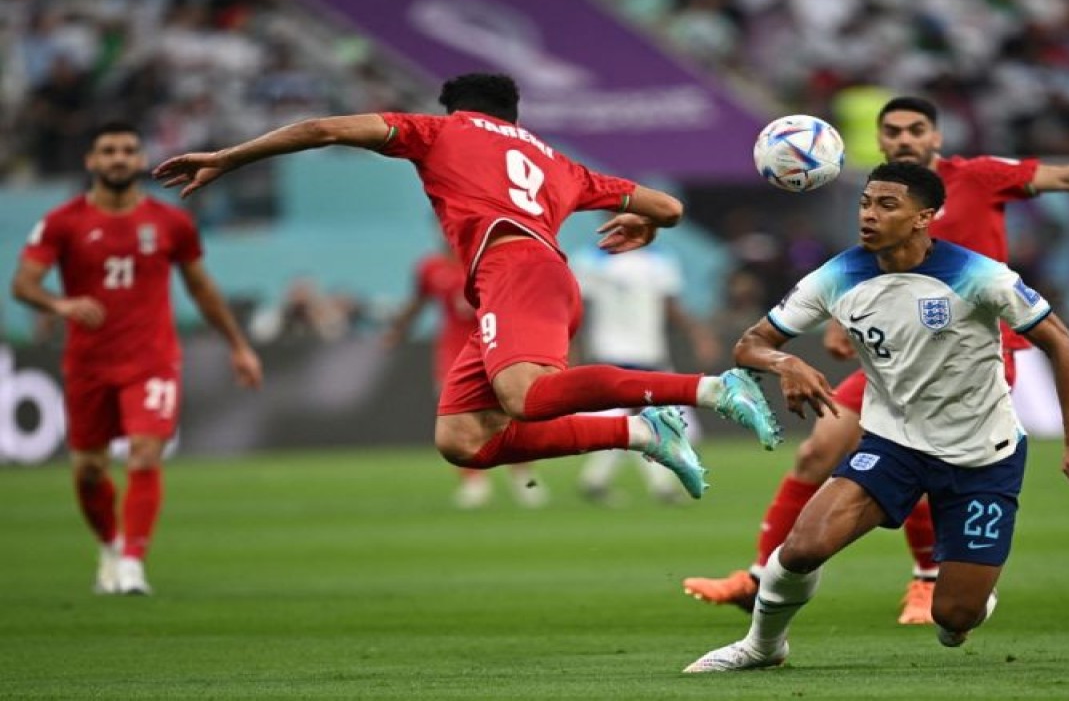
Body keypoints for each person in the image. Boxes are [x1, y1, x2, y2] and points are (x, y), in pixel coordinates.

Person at [683, 96, 1069, 623]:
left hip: (971, 354)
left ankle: (929, 579)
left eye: (915, 129)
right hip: (900, 354)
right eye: (892, 131)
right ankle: (762, 576)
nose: (904, 139)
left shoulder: (981, 176)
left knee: (925, 448)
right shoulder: (883, 196)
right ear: (879, 141)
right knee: (819, 451)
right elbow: (867, 279)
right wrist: (840, 324)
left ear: (937, 137)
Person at [153, 72, 781, 500]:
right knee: (463, 442)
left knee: (526, 399)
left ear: (456, 108)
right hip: (530, 279)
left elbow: (322, 130)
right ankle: (642, 433)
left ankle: (711, 390)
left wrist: (227, 157)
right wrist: (647, 224)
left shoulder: (440, 132)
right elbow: (668, 206)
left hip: (518, 272)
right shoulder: (556, 160)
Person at [684, 162, 1069, 672]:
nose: (869, 215)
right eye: (866, 203)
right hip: (893, 446)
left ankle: (969, 598)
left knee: (953, 618)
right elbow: (751, 343)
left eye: (887, 205)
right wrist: (786, 363)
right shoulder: (838, 275)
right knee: (802, 548)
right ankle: (763, 646)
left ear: (923, 217)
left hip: (982, 456)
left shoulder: (979, 275)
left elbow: (1063, 344)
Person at [11, 121, 263, 596]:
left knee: (145, 453)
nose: (119, 158)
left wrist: (238, 345)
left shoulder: (170, 222)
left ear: (141, 159)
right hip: (88, 363)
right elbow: (23, 284)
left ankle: (132, 563)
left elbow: (200, 287)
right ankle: (109, 546)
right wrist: (59, 305)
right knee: (89, 470)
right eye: (108, 151)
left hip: (152, 359)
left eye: (128, 150)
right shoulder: (63, 222)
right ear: (91, 160)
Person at [384, 250, 546, 509]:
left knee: (512, 413)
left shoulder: (490, 260)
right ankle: (473, 482)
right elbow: (418, 301)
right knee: (457, 418)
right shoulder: (431, 267)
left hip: (496, 348)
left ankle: (523, 477)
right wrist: (398, 330)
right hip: (453, 353)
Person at [570, 245, 721, 505]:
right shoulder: (595, 261)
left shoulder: (647, 262)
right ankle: (659, 486)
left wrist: (698, 334)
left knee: (639, 421)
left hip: (639, 353)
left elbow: (669, 305)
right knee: (653, 421)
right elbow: (578, 308)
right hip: (622, 354)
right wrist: (699, 334)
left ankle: (596, 480)